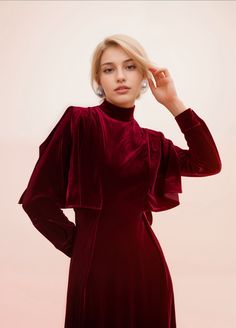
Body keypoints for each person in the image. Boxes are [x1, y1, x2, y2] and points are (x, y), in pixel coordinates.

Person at [18, 34, 222, 328]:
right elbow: (36, 201)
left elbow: (208, 163)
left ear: (143, 76)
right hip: (94, 273)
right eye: (108, 69)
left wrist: (174, 103)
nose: (120, 76)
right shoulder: (80, 122)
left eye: (129, 67)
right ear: (98, 79)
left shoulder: (152, 143)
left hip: (147, 271)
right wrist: (79, 246)